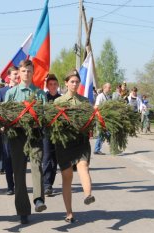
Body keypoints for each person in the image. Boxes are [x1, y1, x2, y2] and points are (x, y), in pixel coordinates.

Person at [4, 60, 47, 224]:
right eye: (23, 71)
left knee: (37, 166)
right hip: (17, 137)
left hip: (35, 135)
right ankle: (23, 210)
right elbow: (5, 116)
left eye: (29, 71)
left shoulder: (40, 94)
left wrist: (39, 121)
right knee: (19, 173)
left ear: (33, 72)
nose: (26, 74)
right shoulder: (11, 93)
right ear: (19, 73)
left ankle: (38, 200)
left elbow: (45, 115)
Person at [54, 69, 95, 223]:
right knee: (67, 177)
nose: (75, 84)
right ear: (66, 83)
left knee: (83, 166)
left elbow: (90, 121)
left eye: (77, 82)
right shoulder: (58, 102)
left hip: (81, 141)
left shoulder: (84, 101)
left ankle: (88, 195)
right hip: (64, 143)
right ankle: (69, 212)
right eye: (72, 81)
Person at [0, 66, 20, 195]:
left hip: (20, 129)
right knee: (8, 157)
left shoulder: (23, 90)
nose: (17, 76)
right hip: (6, 129)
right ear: (9, 76)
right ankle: (10, 186)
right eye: (15, 74)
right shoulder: (2, 91)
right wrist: (0, 124)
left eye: (18, 74)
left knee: (19, 158)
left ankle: (19, 184)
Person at [43, 74, 61, 196]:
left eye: (55, 84)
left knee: (55, 159)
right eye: (50, 84)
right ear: (47, 86)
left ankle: (50, 183)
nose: (53, 86)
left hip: (59, 133)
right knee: (47, 158)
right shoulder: (44, 98)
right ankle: (46, 184)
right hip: (46, 132)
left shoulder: (62, 99)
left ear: (58, 85)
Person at [93, 83, 112, 155]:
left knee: (107, 133)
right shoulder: (100, 96)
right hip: (100, 117)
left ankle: (97, 149)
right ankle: (97, 149)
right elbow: (96, 106)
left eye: (110, 88)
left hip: (107, 118)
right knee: (103, 133)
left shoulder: (108, 96)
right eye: (109, 88)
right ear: (104, 88)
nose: (110, 89)